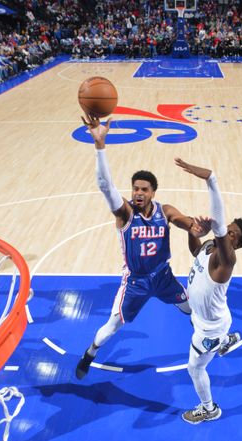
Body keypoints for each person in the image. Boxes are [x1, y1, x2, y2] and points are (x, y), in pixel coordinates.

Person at [74, 115, 200, 379]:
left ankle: (204, 338)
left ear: (153, 192)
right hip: (135, 282)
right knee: (111, 327)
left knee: (192, 309)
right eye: (135, 189)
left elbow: (182, 221)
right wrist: (99, 146)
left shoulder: (164, 211)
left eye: (144, 189)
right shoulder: (125, 214)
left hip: (163, 276)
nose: (138, 193)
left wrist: (194, 226)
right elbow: (104, 186)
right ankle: (90, 353)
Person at [175, 157, 242, 424]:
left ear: (237, 244)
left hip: (209, 328)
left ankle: (209, 408)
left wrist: (211, 180)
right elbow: (195, 251)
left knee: (194, 369)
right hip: (211, 316)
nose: (227, 234)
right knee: (181, 304)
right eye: (228, 230)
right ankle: (226, 341)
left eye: (232, 235)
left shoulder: (227, 260)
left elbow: (218, 225)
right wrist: (193, 231)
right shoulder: (209, 246)